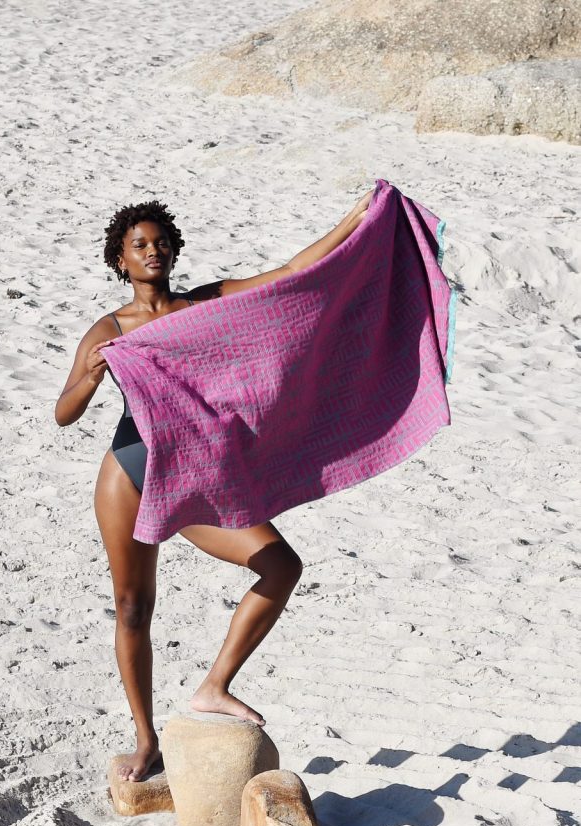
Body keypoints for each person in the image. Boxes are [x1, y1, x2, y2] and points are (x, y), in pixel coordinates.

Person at [54, 190, 373, 782]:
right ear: (121, 259)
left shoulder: (204, 305)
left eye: (160, 243)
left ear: (173, 251)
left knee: (281, 565)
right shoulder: (110, 329)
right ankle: (145, 740)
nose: (152, 251)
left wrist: (353, 221)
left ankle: (215, 685)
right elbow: (63, 413)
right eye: (139, 245)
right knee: (132, 608)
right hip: (130, 472)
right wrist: (92, 374)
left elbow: (290, 274)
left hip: (193, 475)